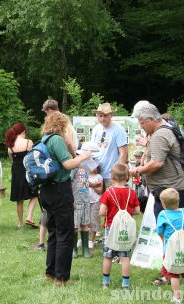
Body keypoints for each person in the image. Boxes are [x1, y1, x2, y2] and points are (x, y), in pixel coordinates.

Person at [39, 112, 91, 286]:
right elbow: (68, 164)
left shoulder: (45, 139)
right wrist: (83, 156)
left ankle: (50, 272)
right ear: (63, 125)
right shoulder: (56, 140)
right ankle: (61, 278)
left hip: (46, 190)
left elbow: (67, 154)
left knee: (53, 231)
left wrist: (69, 144)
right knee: (65, 233)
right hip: (60, 190)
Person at [130, 101, 184, 220]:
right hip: (172, 190)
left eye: (141, 122)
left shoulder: (160, 135)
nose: (141, 126)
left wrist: (138, 170)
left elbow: (157, 163)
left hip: (171, 192)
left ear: (151, 119)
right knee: (172, 231)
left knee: (169, 231)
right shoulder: (167, 128)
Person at [99, 164, 140, 289]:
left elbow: (101, 212)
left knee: (108, 256)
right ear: (127, 177)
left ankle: (106, 282)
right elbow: (137, 211)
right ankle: (125, 283)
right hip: (125, 229)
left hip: (110, 227)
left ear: (112, 177)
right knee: (125, 256)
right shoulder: (131, 193)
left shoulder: (108, 193)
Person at [5, 123, 38, 229]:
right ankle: (29, 216)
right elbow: (32, 157)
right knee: (34, 194)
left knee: (19, 198)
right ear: (23, 131)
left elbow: (12, 159)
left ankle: (20, 223)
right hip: (27, 170)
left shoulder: (10, 144)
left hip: (16, 171)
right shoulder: (29, 142)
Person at [91, 103, 128, 188]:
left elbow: (123, 153)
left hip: (112, 176)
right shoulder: (96, 129)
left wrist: (119, 174)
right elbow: (92, 150)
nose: (102, 118)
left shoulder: (118, 129)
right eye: (100, 116)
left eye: (105, 116)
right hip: (96, 174)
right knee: (98, 201)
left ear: (111, 115)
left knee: (112, 200)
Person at [72, 166, 92, 258]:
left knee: (85, 224)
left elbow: (87, 183)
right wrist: (72, 198)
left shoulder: (87, 167)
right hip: (77, 200)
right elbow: (69, 182)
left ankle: (85, 249)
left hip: (86, 200)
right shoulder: (73, 167)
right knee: (75, 225)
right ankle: (73, 249)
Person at [88, 164, 103, 249]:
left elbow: (100, 191)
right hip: (86, 201)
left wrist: (92, 186)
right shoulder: (85, 175)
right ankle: (84, 239)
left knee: (94, 221)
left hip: (95, 202)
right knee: (86, 222)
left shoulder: (99, 177)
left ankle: (91, 240)